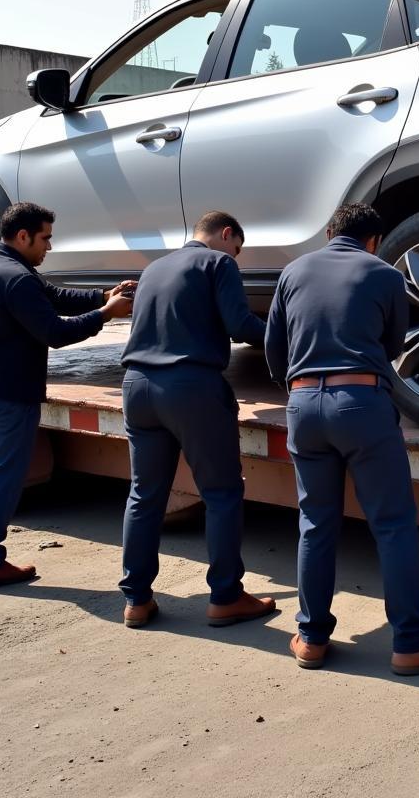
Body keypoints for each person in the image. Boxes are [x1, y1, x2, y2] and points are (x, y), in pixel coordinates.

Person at [265, 202, 419, 675]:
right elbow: (395, 344)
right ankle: (411, 644)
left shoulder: (293, 272)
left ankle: (311, 638)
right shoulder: (382, 273)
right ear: (373, 240)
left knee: (315, 524)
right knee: (393, 525)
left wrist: (301, 390)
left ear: (330, 232)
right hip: (361, 402)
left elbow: (276, 351)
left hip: (302, 405)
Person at [0, 202, 134, 591]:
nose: (49, 245)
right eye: (45, 237)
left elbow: (50, 294)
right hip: (8, 395)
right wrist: (106, 314)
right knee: (2, 477)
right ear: (23, 236)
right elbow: (55, 332)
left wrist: (103, 295)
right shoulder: (18, 278)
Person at [118, 211, 275, 629]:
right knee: (222, 493)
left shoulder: (153, 269)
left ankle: (136, 599)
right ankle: (225, 597)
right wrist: (290, 332)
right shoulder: (217, 263)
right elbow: (240, 325)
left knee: (145, 495)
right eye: (237, 249)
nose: (236, 259)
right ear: (226, 235)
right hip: (190, 387)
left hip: (136, 386)